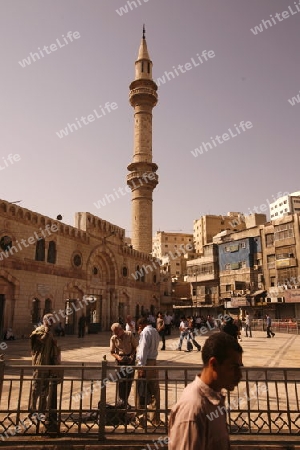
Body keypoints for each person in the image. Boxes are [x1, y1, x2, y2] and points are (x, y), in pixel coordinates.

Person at [168, 332, 243, 450]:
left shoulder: (214, 400)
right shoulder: (193, 410)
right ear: (213, 364)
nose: (239, 375)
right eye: (233, 368)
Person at [30, 313, 60, 411]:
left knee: (46, 388)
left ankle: (42, 409)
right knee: (36, 387)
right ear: (44, 320)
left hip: (49, 363)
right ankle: (32, 408)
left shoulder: (51, 332)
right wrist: (46, 332)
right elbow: (41, 341)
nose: (51, 323)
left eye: (52, 320)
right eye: (49, 320)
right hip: (40, 363)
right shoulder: (39, 331)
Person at [135, 316, 161, 426]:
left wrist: (141, 366)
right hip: (153, 362)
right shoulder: (155, 331)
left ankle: (141, 419)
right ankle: (155, 419)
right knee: (154, 390)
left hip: (145, 364)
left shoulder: (145, 332)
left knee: (139, 390)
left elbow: (143, 350)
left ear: (141, 325)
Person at [110, 322, 137, 407]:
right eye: (114, 333)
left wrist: (132, 357)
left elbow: (135, 347)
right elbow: (112, 351)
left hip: (129, 359)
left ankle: (125, 401)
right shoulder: (114, 338)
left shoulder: (129, 334)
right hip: (120, 360)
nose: (116, 334)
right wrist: (118, 357)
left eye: (117, 332)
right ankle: (121, 400)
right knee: (121, 381)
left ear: (121, 330)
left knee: (128, 381)